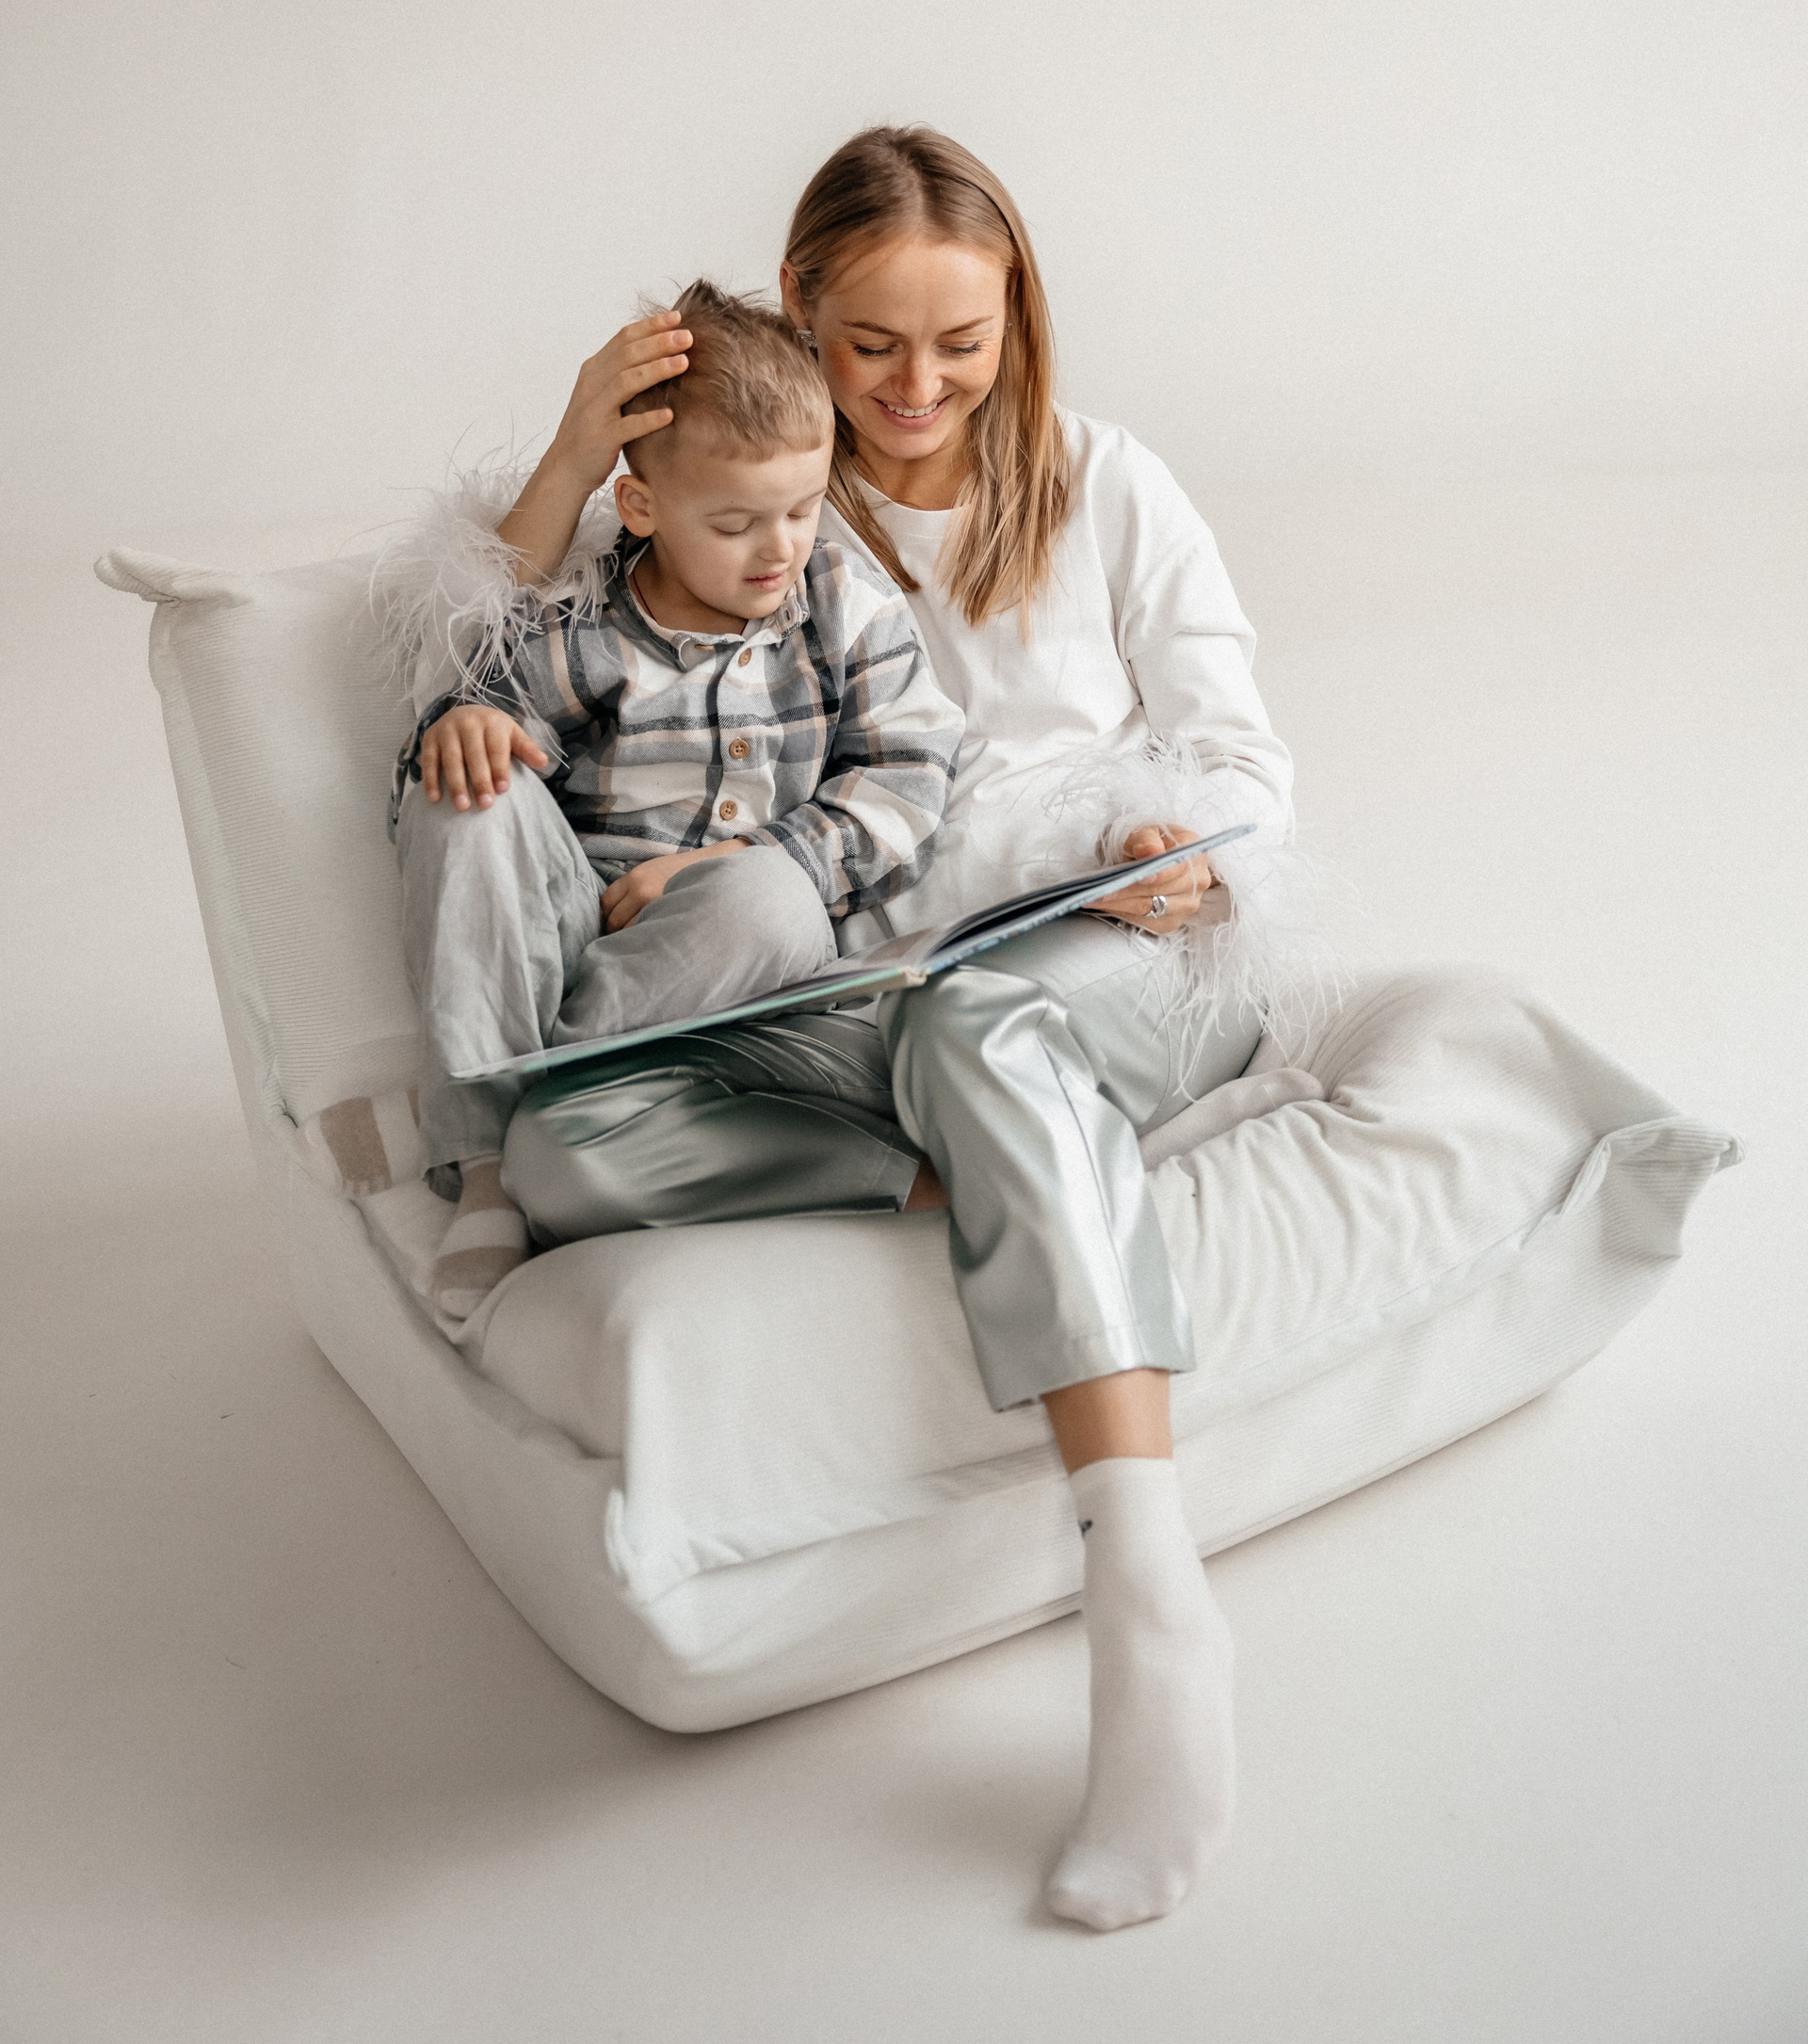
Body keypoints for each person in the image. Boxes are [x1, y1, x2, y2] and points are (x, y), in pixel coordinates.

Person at [390, 127, 1303, 1934]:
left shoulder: (1109, 484)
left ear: (1018, 319)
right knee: (574, 1154)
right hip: (860, 999)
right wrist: (577, 451)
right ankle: (984, 1177)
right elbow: (483, 660)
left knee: (980, 1029)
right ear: (803, 310)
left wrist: (1176, 845)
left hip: (1112, 952)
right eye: (873, 342)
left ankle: (1146, 1599)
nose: (917, 387)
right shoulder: (768, 486)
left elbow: (1243, 763)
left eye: (961, 342)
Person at [387, 278, 963, 1319]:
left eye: (802, 509)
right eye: (736, 523)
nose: (780, 548)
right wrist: (465, 724)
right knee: (460, 785)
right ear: (642, 507)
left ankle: (523, 1096)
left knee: (773, 895)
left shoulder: (842, 605)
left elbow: (910, 775)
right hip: (580, 934)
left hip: (741, 957)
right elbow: (471, 709)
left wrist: (727, 864)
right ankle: (487, 1167)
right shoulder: (585, 626)